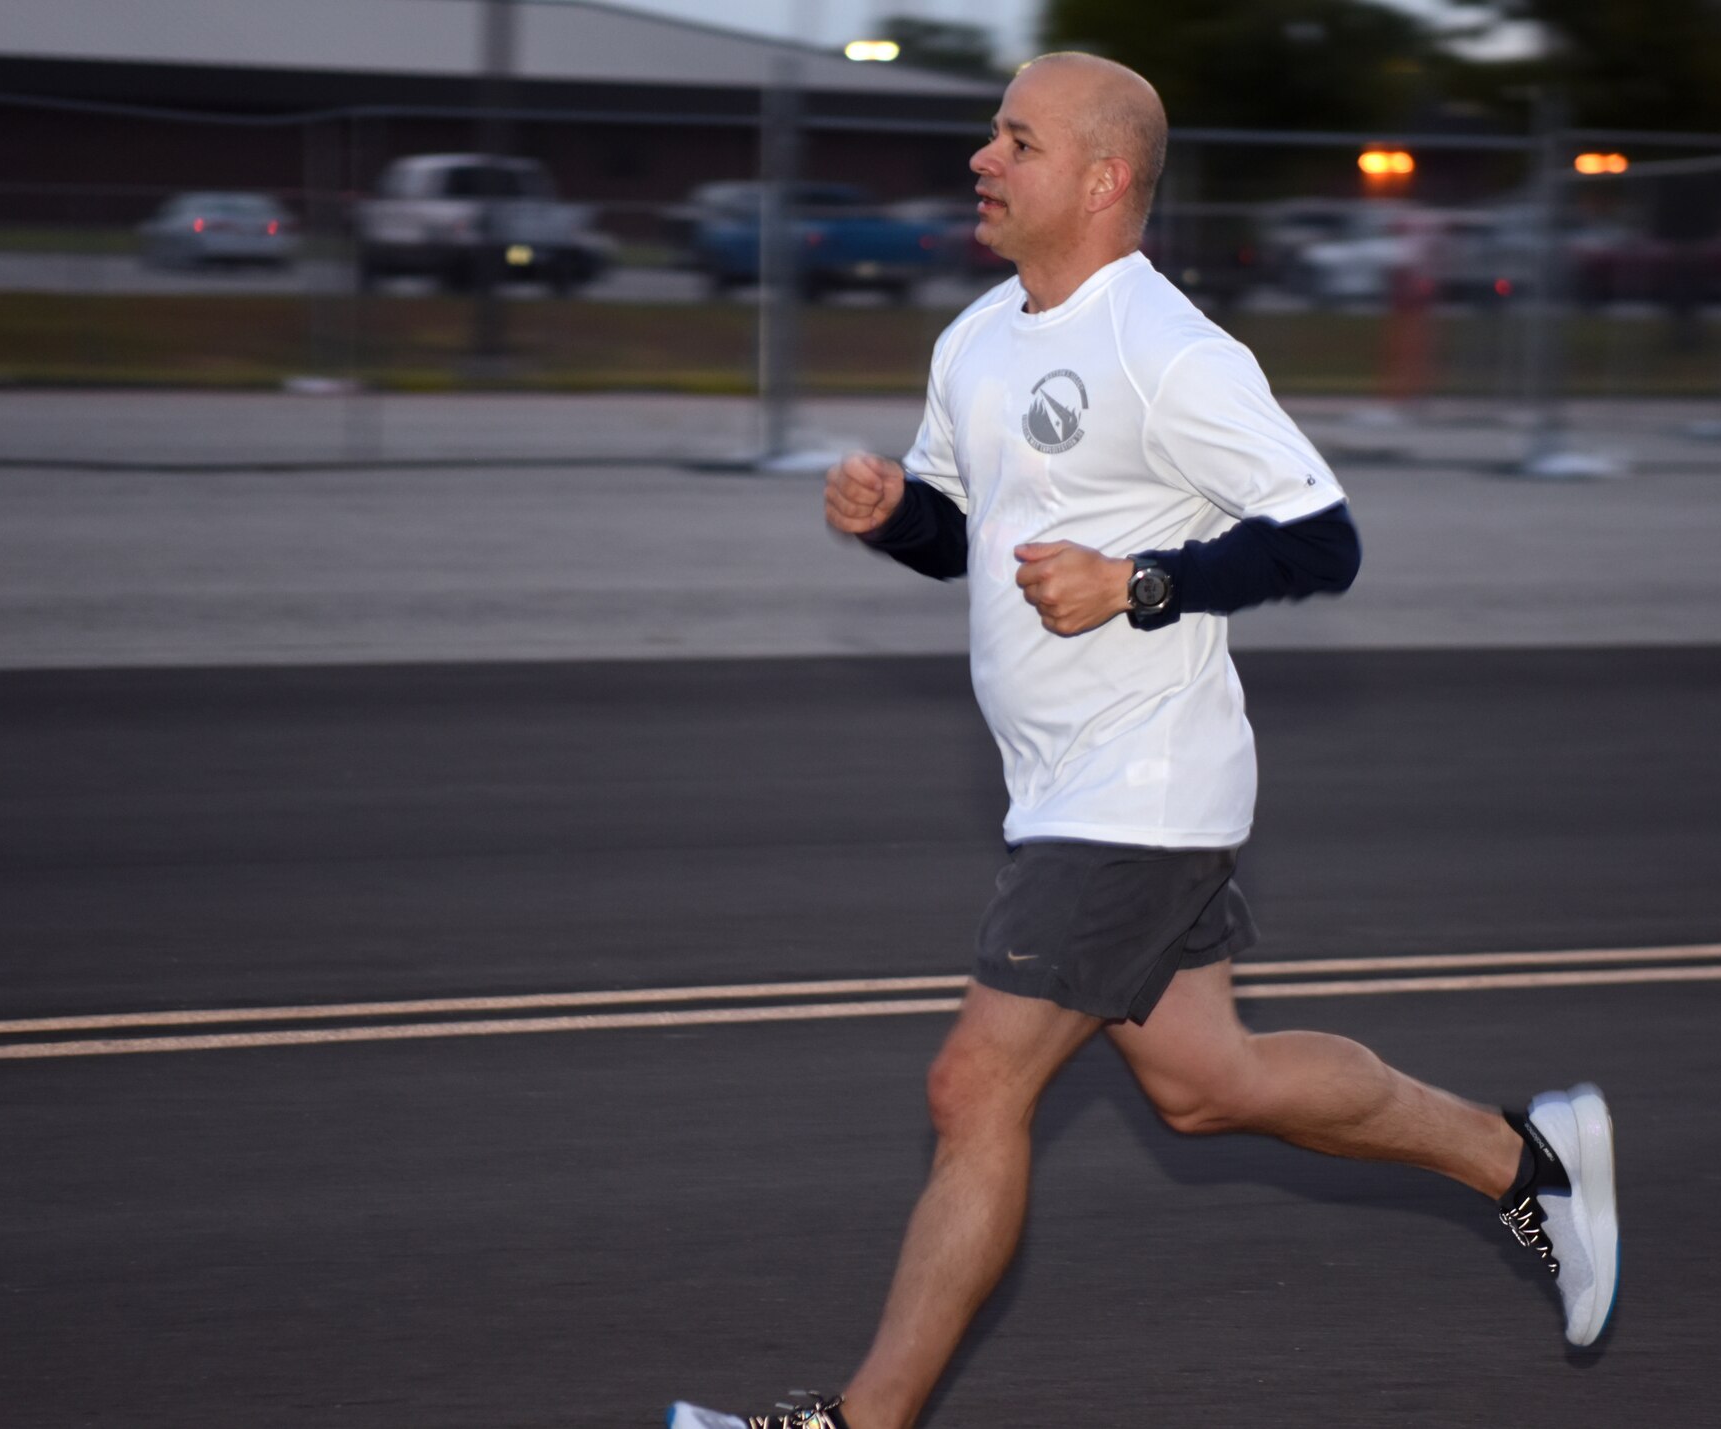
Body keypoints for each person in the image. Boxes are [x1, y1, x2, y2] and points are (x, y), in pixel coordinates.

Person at [671, 53, 1619, 1429]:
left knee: (972, 1083)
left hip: (1139, 788)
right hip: (1062, 782)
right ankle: (1526, 1162)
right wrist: (895, 516)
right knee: (1205, 1085)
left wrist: (1142, 583)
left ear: (1104, 178)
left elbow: (1324, 541)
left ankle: (852, 1426)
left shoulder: (1166, 348)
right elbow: (963, 535)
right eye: (992, 136)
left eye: (1018, 140)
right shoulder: (980, 335)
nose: (983, 161)